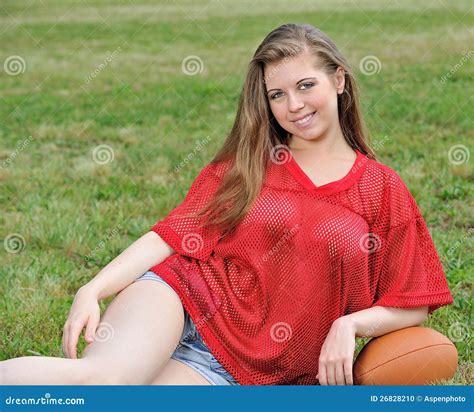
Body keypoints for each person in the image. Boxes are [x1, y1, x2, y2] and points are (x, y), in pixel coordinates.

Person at [0, 23, 453, 386]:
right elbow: (171, 235)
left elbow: (413, 300)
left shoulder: (380, 188)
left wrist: (351, 324)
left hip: (241, 373)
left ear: (338, 80)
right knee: (101, 383)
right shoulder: (252, 163)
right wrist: (93, 288)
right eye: (277, 94)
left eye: (305, 85)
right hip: (182, 302)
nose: (293, 105)